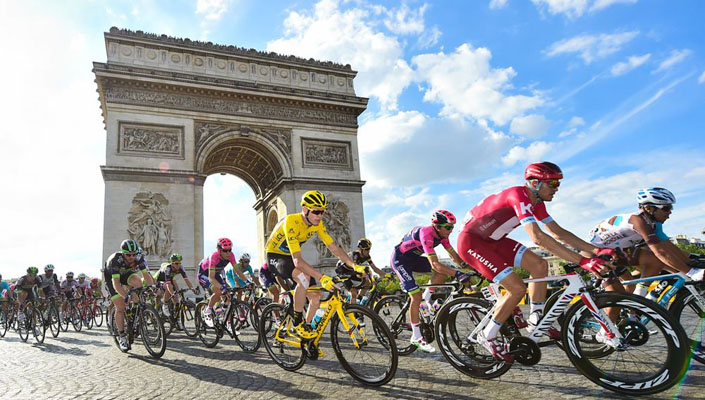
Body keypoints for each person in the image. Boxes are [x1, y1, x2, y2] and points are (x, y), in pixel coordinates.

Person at [456, 161, 613, 362]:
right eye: (553, 184)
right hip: (472, 243)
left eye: (558, 184)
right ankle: (487, 335)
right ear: (535, 183)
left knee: (540, 265)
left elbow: (558, 233)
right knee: (517, 288)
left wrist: (596, 250)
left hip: (493, 241)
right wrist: (582, 260)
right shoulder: (518, 195)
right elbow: (537, 237)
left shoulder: (537, 203)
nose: (557, 189)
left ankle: (536, 317)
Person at [264, 190, 362, 340]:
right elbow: (297, 261)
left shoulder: (318, 224)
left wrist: (354, 265)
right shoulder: (292, 222)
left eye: (323, 212)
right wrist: (322, 277)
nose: (320, 216)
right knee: (304, 277)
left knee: (316, 296)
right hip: (276, 256)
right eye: (316, 212)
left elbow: (334, 247)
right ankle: (297, 320)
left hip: (291, 256)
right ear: (305, 209)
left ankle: (306, 331)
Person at [587, 187, 704, 297]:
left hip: (616, 252)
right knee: (615, 299)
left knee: (653, 263)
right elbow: (661, 252)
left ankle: (639, 305)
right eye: (666, 208)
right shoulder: (638, 221)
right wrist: (691, 272)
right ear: (649, 208)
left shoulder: (654, 224)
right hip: (595, 254)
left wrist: (692, 260)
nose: (670, 212)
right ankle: (632, 307)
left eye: (671, 208)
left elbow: (668, 246)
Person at [390, 210, 472, 353]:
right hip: (400, 260)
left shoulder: (442, 236)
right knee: (416, 295)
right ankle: (416, 336)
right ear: (437, 226)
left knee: (442, 272)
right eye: (448, 227)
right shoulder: (426, 233)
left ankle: (426, 302)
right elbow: (434, 264)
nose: (451, 230)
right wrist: (457, 274)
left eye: (452, 227)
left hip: (414, 259)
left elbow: (454, 258)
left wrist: (471, 268)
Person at [104, 239, 156, 352]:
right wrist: (125, 296)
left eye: (134, 254)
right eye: (128, 255)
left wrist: (152, 288)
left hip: (126, 274)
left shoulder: (139, 257)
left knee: (138, 282)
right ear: (123, 253)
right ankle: (122, 336)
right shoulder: (115, 260)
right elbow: (116, 283)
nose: (131, 257)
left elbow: (146, 275)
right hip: (112, 278)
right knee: (121, 306)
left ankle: (134, 311)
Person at [198, 238, 251, 328]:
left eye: (230, 250)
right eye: (225, 250)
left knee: (229, 296)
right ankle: (207, 311)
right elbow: (211, 278)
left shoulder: (231, 255)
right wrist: (222, 288)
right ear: (219, 250)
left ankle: (222, 315)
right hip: (204, 275)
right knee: (219, 291)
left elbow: (238, 271)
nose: (228, 253)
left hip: (216, 274)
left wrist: (247, 282)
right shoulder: (214, 257)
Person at [335, 238, 388, 304]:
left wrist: (386, 274)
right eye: (366, 249)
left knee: (367, 283)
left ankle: (358, 301)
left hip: (352, 271)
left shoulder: (367, 256)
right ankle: (353, 311)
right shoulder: (354, 256)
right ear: (360, 249)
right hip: (343, 272)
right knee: (354, 292)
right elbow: (356, 270)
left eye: (369, 249)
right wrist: (362, 274)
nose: (368, 251)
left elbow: (375, 269)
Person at [154, 253, 198, 322]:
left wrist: (193, 289)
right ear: (172, 263)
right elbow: (168, 285)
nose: (178, 265)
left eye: (180, 263)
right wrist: (172, 294)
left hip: (169, 280)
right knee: (170, 289)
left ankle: (177, 318)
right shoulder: (168, 269)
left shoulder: (181, 268)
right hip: (159, 280)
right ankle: (165, 304)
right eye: (176, 263)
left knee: (176, 297)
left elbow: (187, 280)